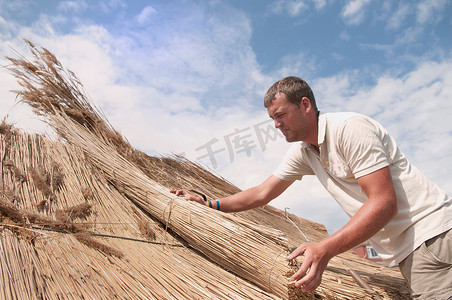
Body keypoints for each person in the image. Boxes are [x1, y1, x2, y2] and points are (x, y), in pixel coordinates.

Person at [170, 76, 452, 299]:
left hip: (430, 237)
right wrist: (209, 204)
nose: (277, 125)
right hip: (416, 247)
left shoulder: (350, 129)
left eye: (281, 115)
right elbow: (261, 193)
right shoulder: (305, 151)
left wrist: (324, 249)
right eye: (272, 119)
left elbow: (383, 203)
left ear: (305, 105)